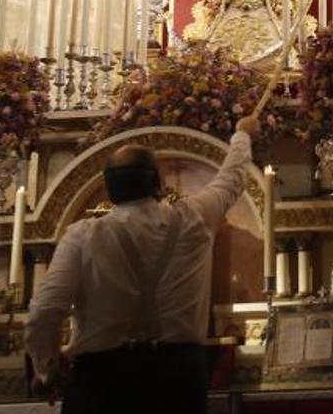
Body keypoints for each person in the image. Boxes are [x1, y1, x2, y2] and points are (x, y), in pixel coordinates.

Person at [26, 115, 262, 414]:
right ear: (158, 182)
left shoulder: (82, 237)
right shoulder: (195, 218)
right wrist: (242, 134)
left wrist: (46, 368)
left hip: (101, 380)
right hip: (176, 379)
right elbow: (232, 178)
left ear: (109, 189)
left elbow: (45, 310)